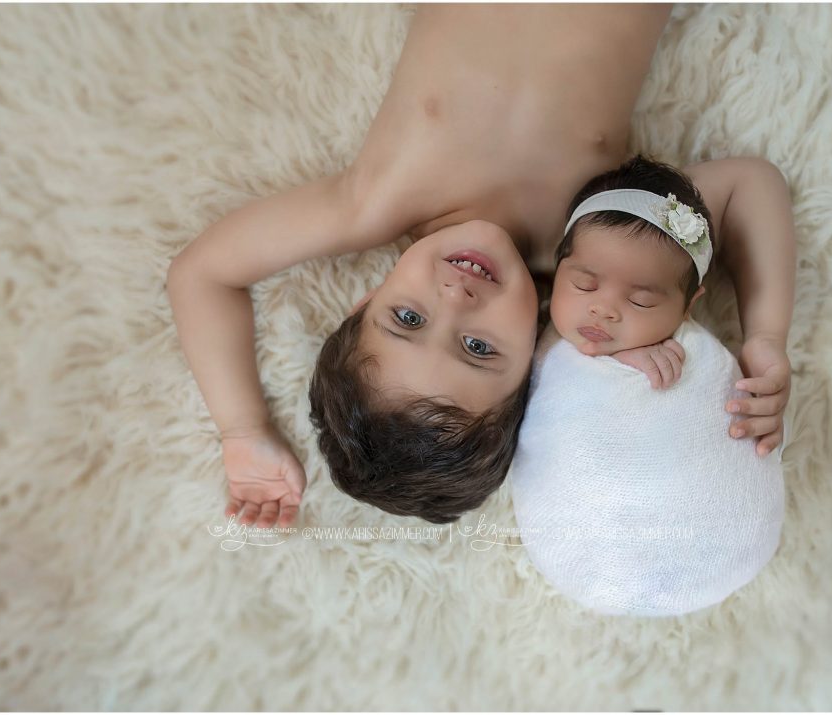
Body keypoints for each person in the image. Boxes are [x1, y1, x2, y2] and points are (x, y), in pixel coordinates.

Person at [167, 4, 795, 529]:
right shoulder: (590, 239)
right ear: (534, 355)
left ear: (363, 303)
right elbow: (748, 186)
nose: (456, 297)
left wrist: (242, 428)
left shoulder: (375, 201)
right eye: (476, 346)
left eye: (407, 317)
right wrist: (765, 337)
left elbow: (203, 274)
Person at [506, 153, 788, 616]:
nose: (605, 310)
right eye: (584, 283)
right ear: (557, 271)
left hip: (718, 541)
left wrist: (767, 340)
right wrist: (617, 357)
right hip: (586, 549)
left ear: (687, 307)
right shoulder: (528, 329)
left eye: (640, 301)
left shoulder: (682, 341)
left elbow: (755, 178)